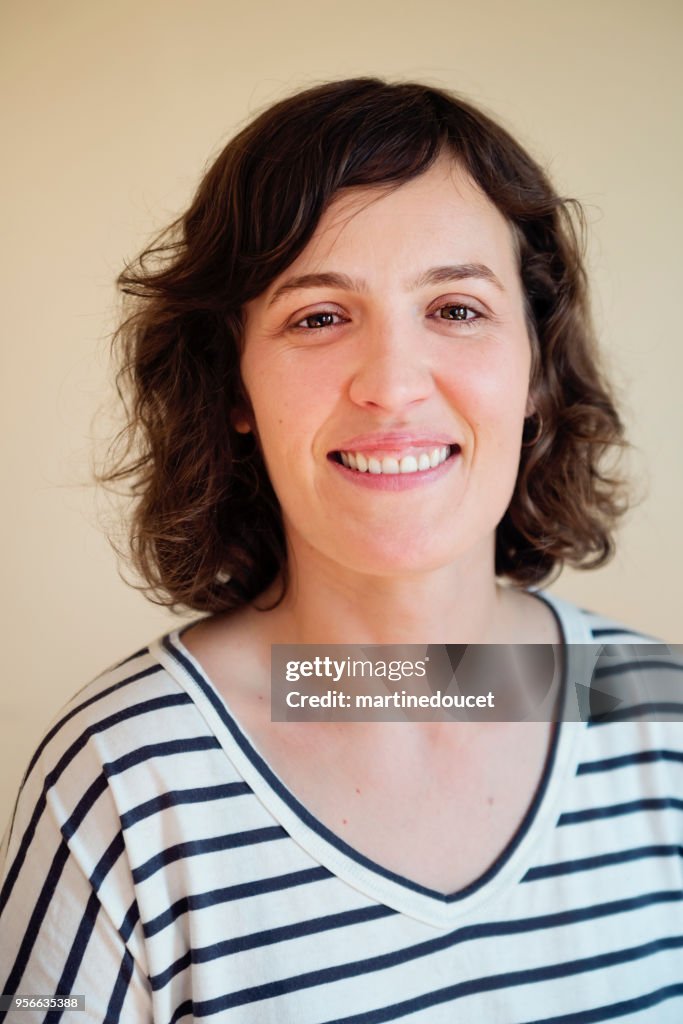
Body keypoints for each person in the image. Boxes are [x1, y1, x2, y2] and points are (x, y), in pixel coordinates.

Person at [1, 78, 681, 1023]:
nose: (393, 385)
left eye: (455, 309)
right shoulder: (125, 776)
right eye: (318, 317)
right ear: (232, 386)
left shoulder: (656, 712)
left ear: (535, 365)